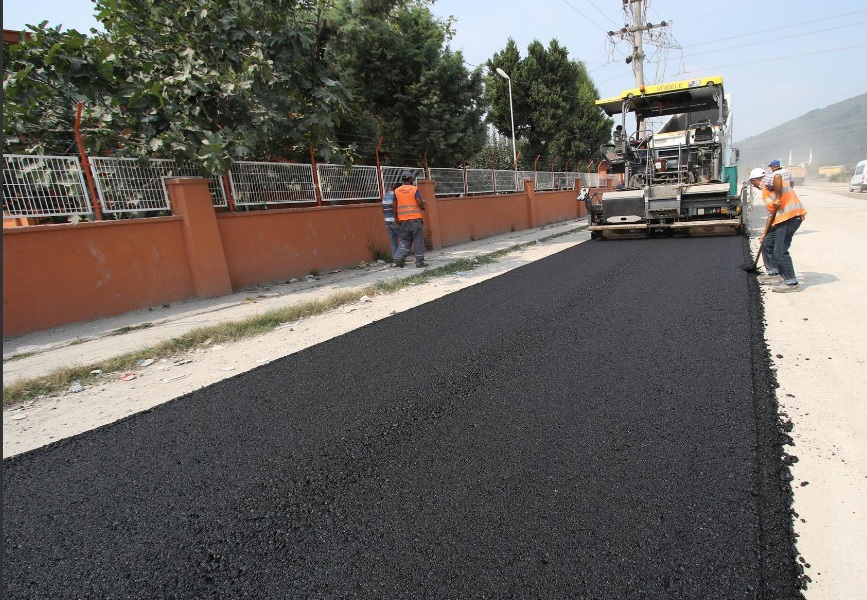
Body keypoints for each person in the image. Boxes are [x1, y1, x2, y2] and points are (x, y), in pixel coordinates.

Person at [748, 162, 808, 292]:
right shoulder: (766, 190)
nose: (753, 185)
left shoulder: (766, 180)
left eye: (752, 182)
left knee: (780, 251)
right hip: (781, 219)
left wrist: (779, 198)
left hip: (791, 217)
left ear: (755, 179)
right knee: (767, 243)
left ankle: (791, 283)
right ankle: (774, 274)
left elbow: (777, 177)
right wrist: (764, 234)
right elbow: (771, 215)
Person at [392, 170, 428, 268]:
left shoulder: (397, 191)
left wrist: (396, 218)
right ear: (411, 179)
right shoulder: (414, 189)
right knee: (418, 240)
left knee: (406, 239)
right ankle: (420, 262)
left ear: (403, 179)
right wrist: (423, 206)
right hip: (415, 219)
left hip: (403, 220)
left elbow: (394, 205)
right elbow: (419, 202)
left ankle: (399, 258)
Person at [381, 181, 402, 259]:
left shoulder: (386, 195)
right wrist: (396, 218)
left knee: (393, 241)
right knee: (405, 239)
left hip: (387, 221)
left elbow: (382, 208)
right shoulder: (396, 195)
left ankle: (395, 258)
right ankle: (399, 257)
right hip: (394, 221)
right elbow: (394, 207)